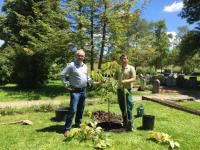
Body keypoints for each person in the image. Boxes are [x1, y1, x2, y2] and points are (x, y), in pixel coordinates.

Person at [60, 49, 93, 137]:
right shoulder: (71, 65)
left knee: (81, 109)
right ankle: (67, 129)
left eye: (82, 56)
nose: (80, 57)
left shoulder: (85, 66)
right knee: (73, 110)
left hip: (83, 90)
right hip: (75, 91)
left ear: (84, 57)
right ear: (76, 56)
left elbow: (87, 76)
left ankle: (78, 124)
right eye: (79, 55)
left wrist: (91, 82)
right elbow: (62, 74)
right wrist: (66, 85)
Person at [116, 54, 136, 131]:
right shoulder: (118, 69)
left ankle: (130, 124)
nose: (123, 60)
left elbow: (134, 78)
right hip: (119, 90)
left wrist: (125, 81)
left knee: (129, 106)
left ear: (127, 60)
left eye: (125, 59)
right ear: (120, 60)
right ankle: (124, 122)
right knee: (122, 107)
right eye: (122, 59)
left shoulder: (131, 68)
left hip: (127, 90)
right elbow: (115, 78)